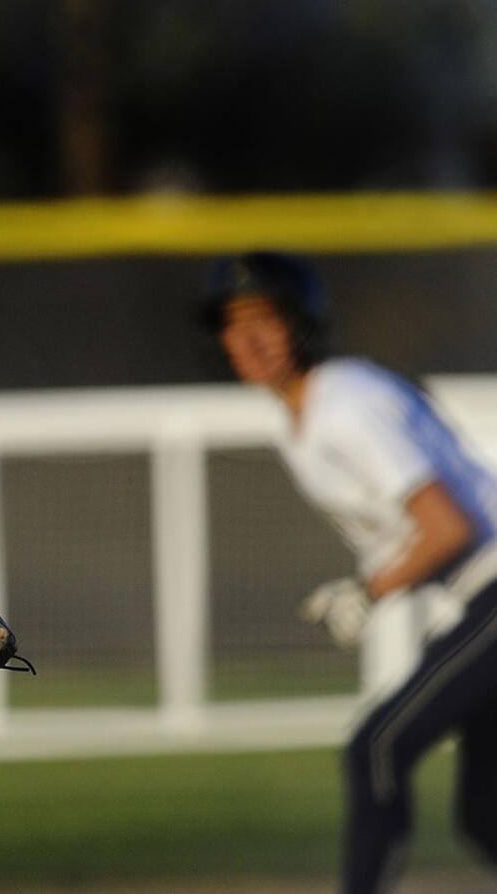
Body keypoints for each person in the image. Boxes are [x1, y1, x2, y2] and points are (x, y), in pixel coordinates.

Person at [201, 250, 497, 893]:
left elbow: (451, 527)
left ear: (301, 323)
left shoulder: (345, 404)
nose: (246, 338)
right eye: (231, 322)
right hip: (482, 598)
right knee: (483, 817)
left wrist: (369, 592)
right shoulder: (307, 414)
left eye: (265, 319)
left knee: (379, 748)